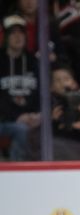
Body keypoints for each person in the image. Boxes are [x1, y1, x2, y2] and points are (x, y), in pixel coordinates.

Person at [0, 14, 39, 161]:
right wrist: (16, 117)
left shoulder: (33, 61)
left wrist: (38, 115)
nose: (18, 37)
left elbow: (40, 93)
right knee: (22, 130)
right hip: (4, 120)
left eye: (21, 32)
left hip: (30, 118)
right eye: (13, 33)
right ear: (5, 37)